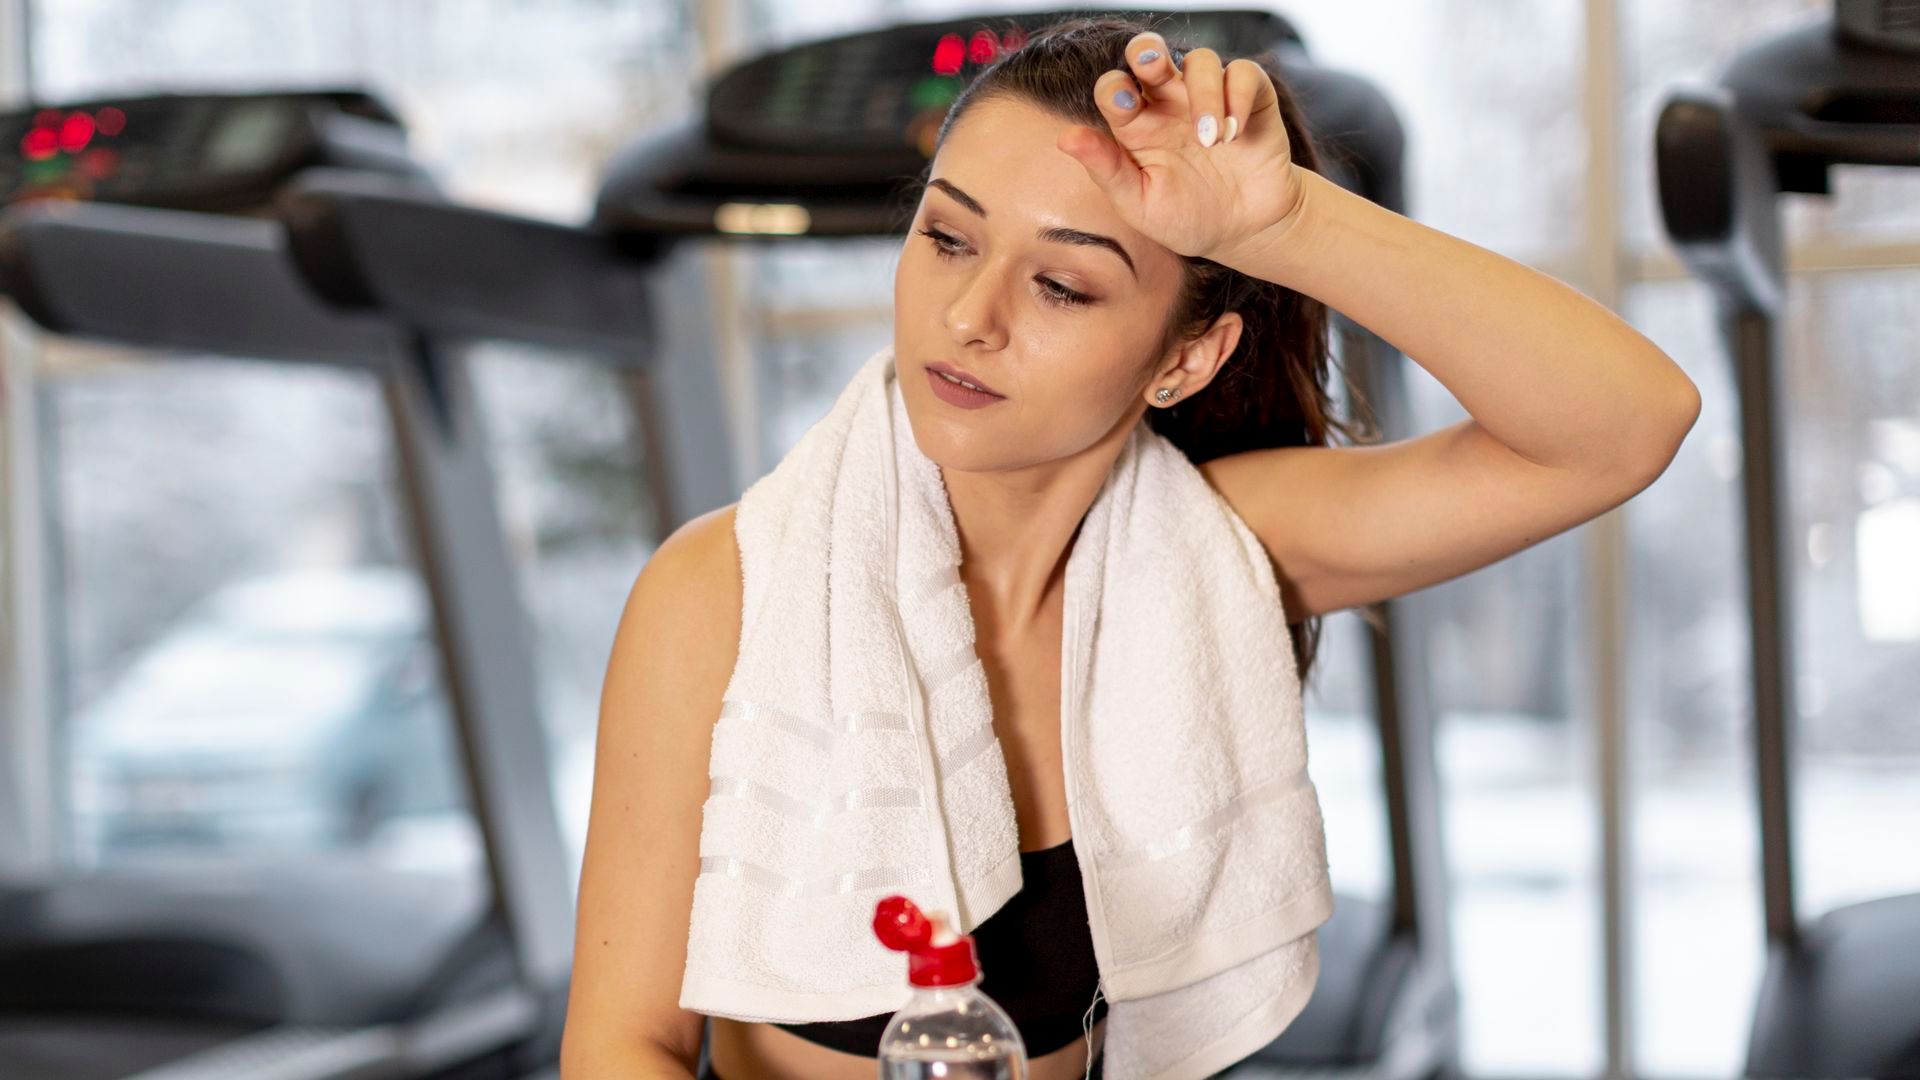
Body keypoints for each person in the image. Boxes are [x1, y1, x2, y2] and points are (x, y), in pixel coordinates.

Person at [559, 14, 1700, 1079]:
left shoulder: (1215, 552)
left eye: (1061, 284)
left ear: (1184, 361)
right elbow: (621, 1044)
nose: (971, 316)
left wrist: (1287, 224)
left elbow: (1620, 426)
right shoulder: (723, 592)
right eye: (949, 238)